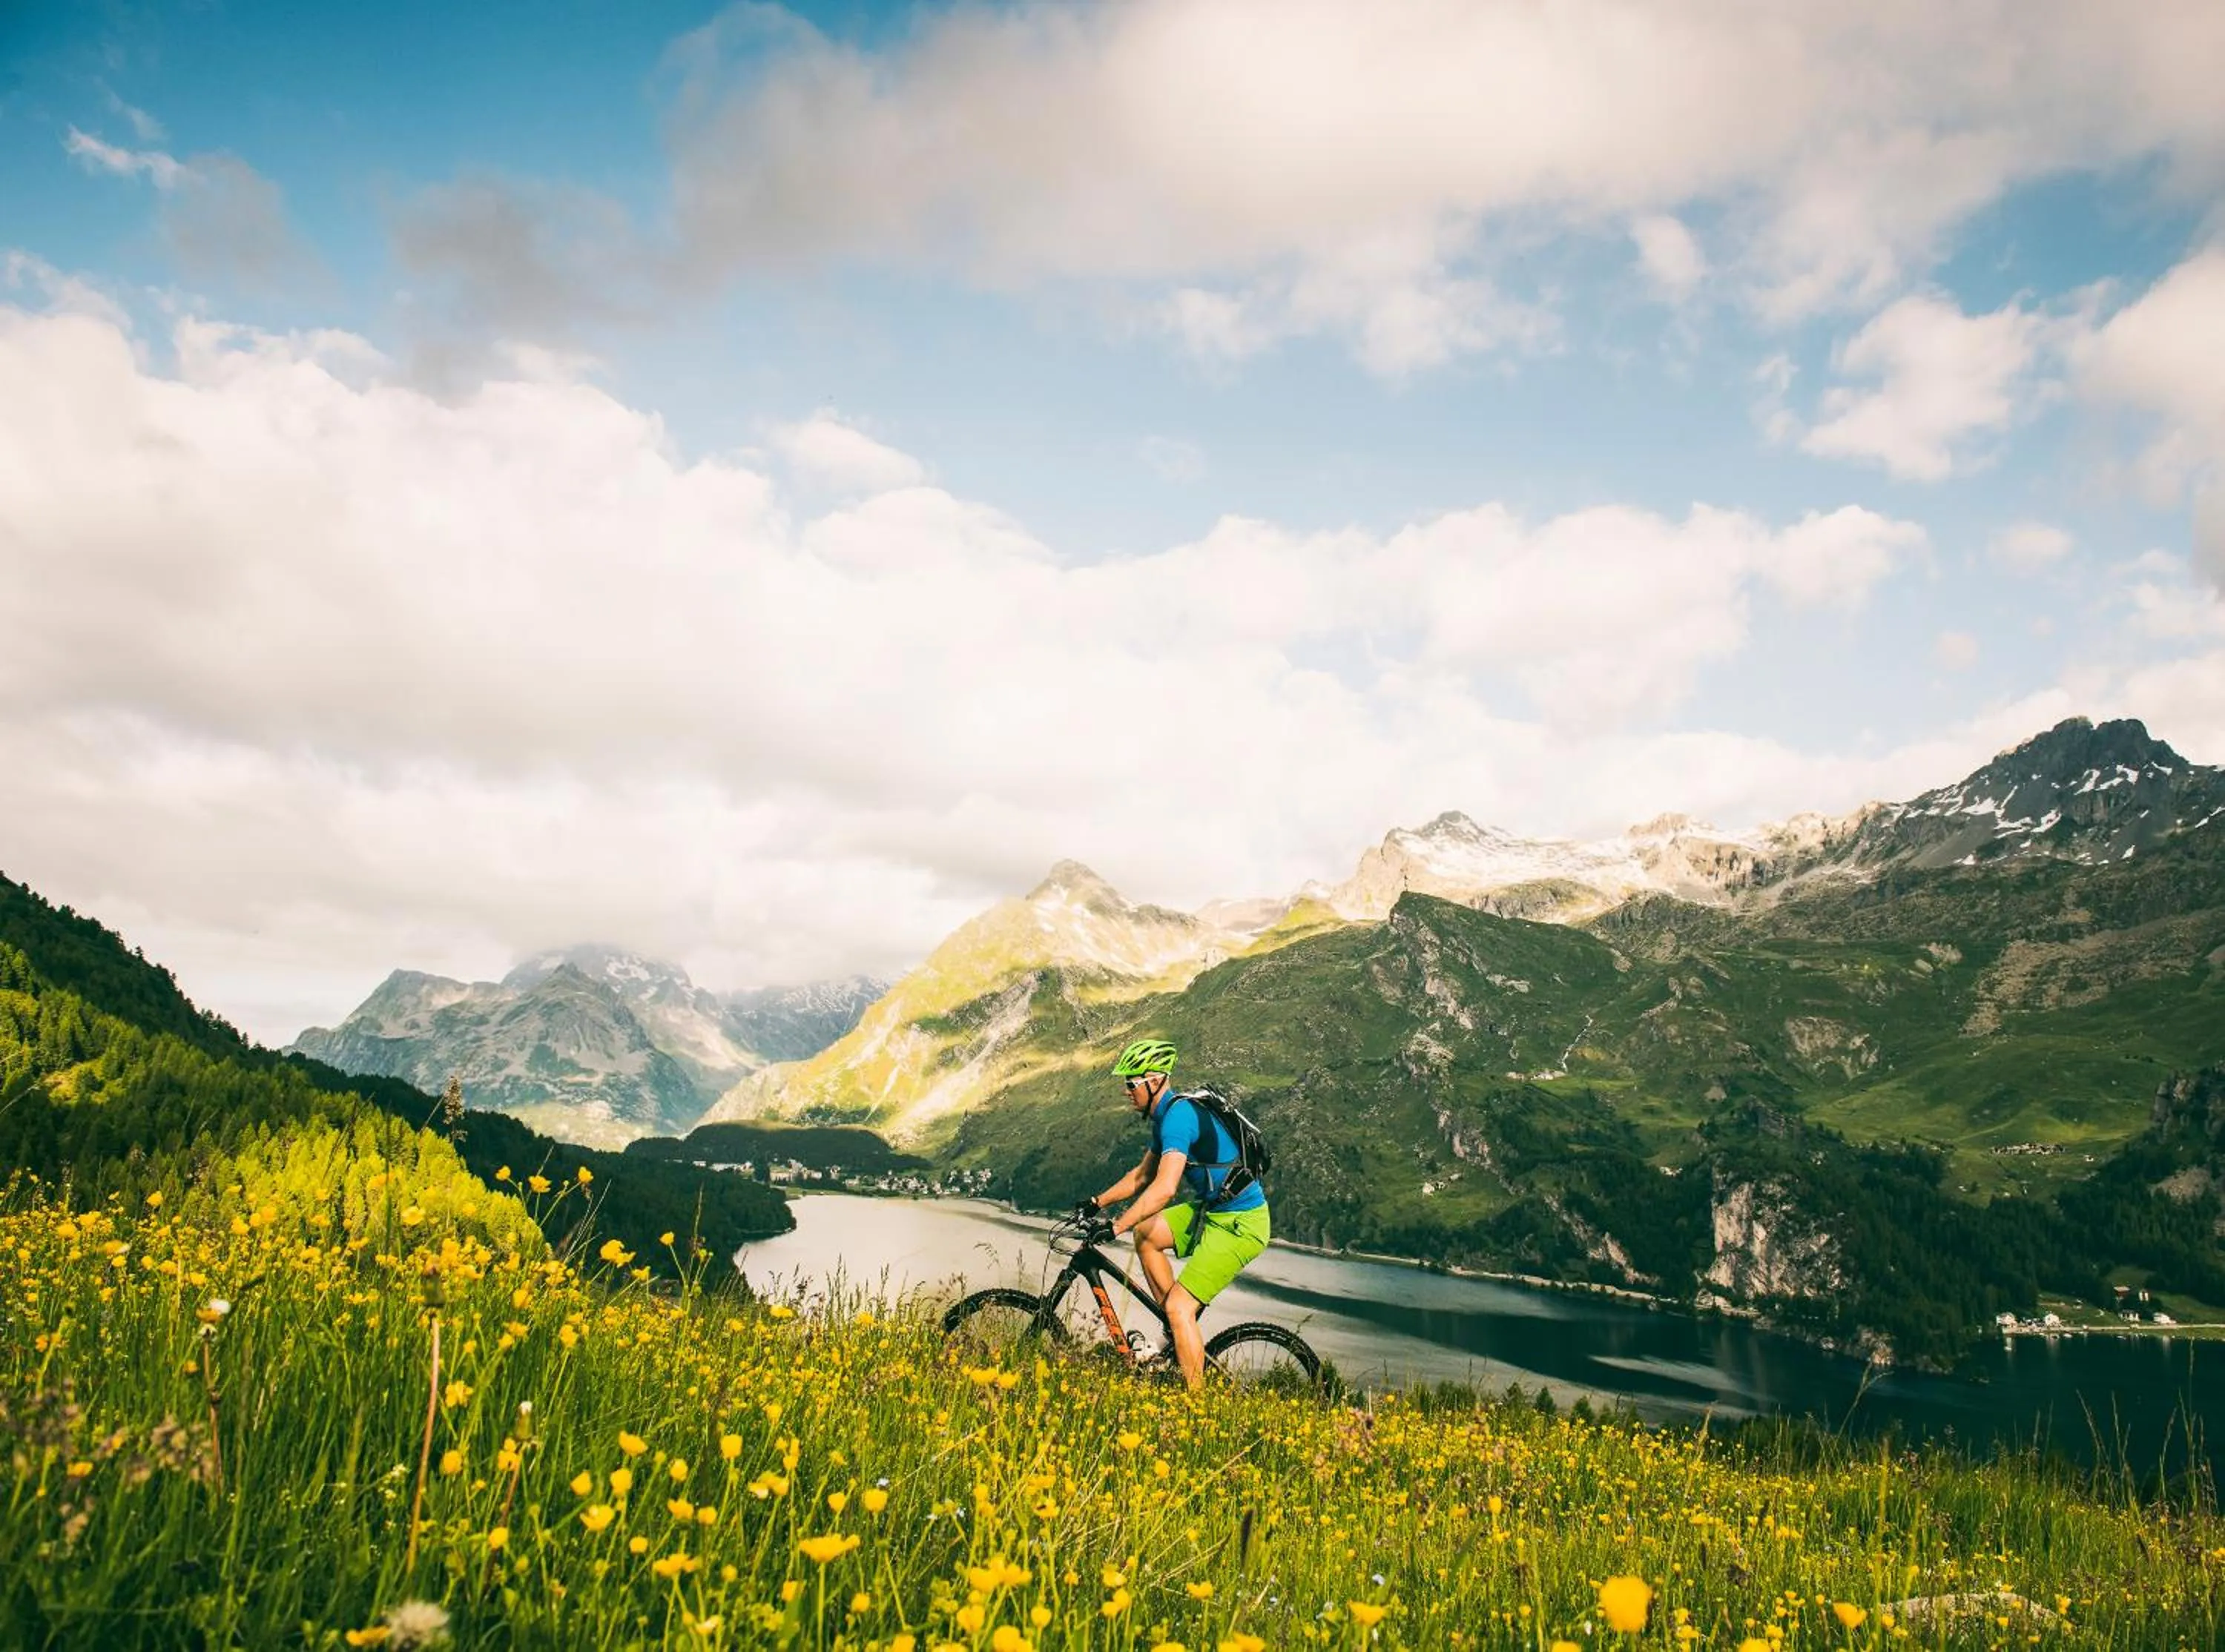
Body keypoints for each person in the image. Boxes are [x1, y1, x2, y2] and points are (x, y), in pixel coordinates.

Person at [1079, 1038, 1270, 1390]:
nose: (1126, 1091)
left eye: (1131, 1083)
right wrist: (1097, 1202)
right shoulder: (1165, 1116)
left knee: (1180, 1306)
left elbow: (1165, 1188)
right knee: (1147, 1234)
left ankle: (1195, 1405)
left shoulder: (1179, 1118)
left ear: (1153, 1081)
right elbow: (1141, 1176)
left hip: (1241, 1223)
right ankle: (1177, 1332)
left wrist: (1117, 1226)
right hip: (1213, 1211)